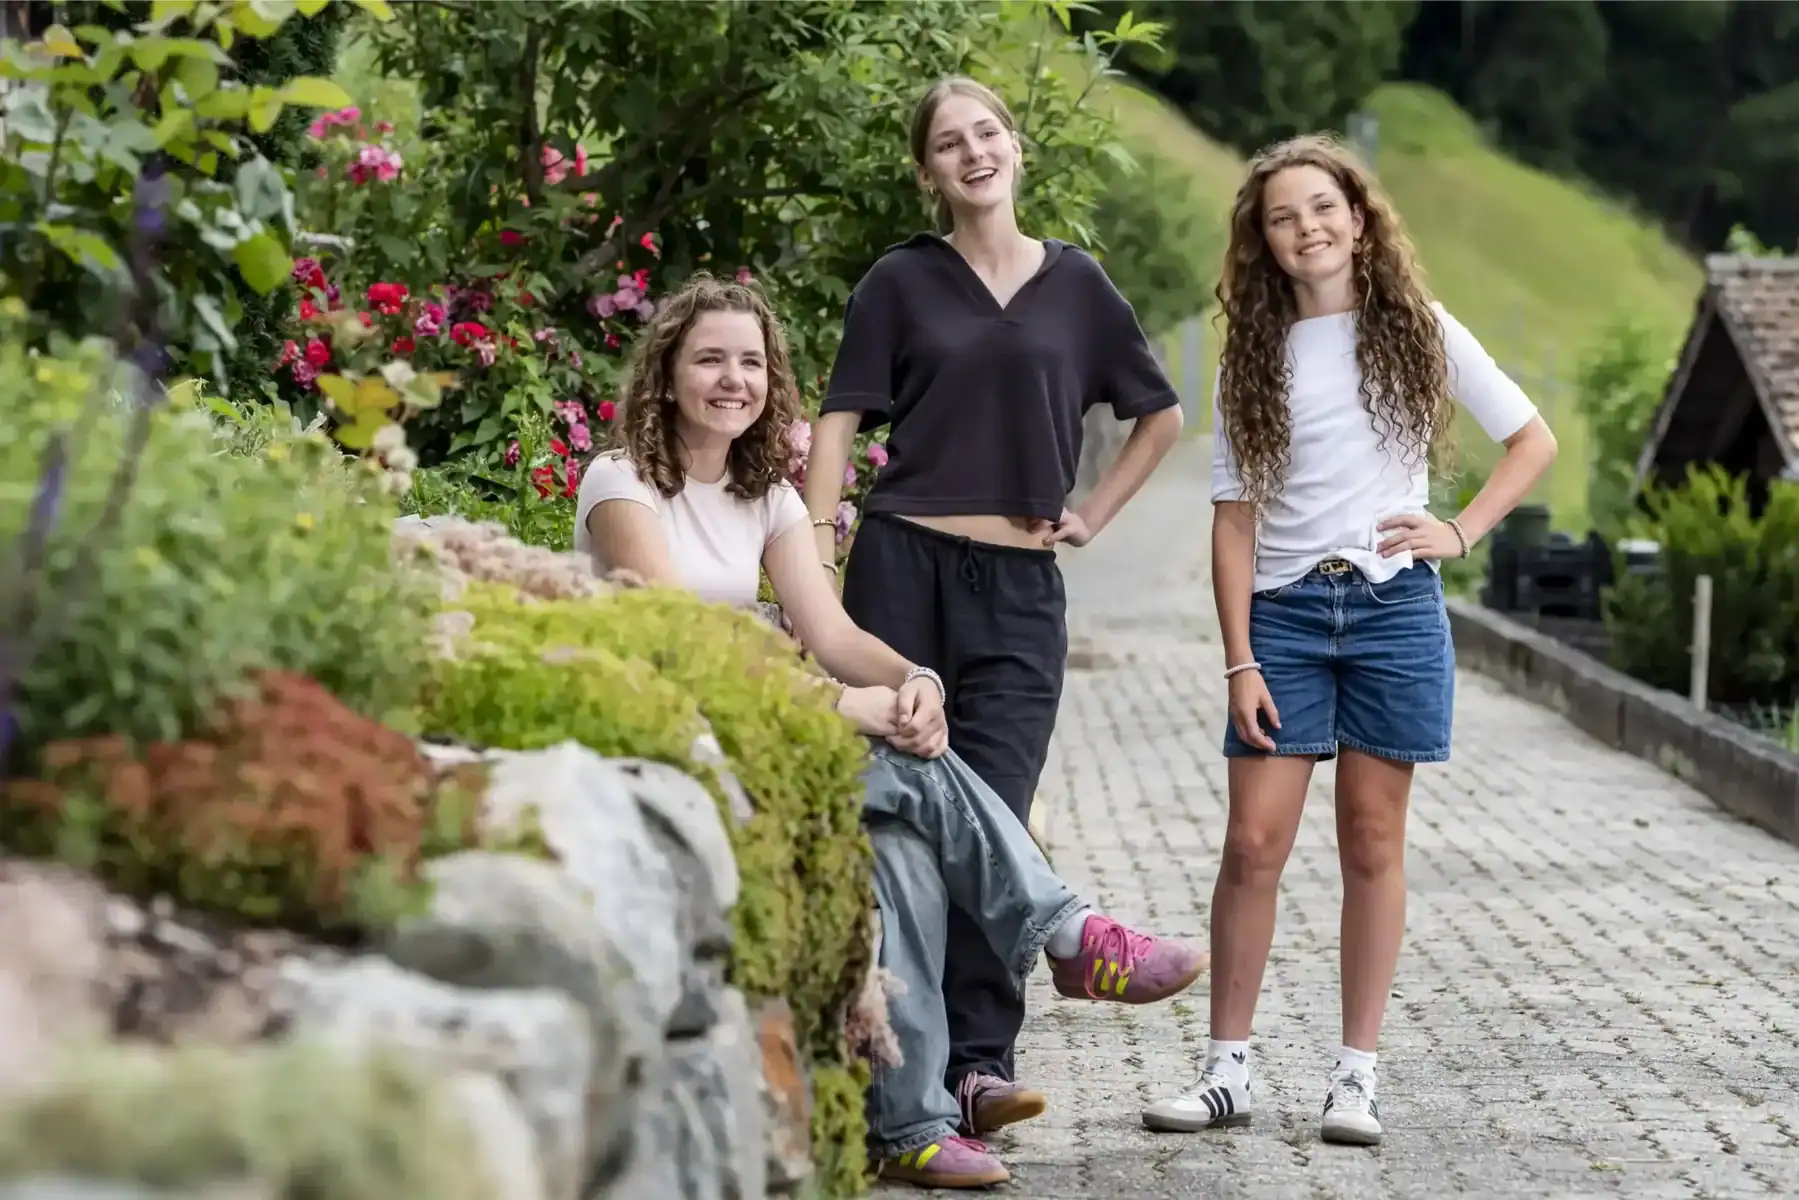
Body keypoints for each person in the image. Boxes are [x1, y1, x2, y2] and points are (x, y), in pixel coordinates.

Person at [575, 272, 1208, 1189]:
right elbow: (680, 644)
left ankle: (910, 1125)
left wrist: (912, 680)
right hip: (665, 722)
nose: (731, 379)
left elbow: (827, 634)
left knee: (906, 837)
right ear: (667, 371)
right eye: (708, 358)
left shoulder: (772, 498)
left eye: (750, 362)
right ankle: (1067, 936)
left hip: (754, 714)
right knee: (908, 771)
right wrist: (843, 707)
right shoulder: (621, 478)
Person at [1138, 135, 1558, 1146]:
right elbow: (1232, 521)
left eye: (1321, 207)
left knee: (1371, 843)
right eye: (1282, 217)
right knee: (1251, 845)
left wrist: (1455, 531)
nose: (1305, 228)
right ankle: (1225, 1071)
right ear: (1263, 240)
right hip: (1282, 618)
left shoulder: (1416, 329)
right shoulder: (1252, 358)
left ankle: (1353, 1079)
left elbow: (1530, 440)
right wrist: (1237, 656)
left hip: (1391, 612)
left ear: (1358, 218)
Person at [801, 74, 1187, 1138]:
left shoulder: (1077, 287)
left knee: (996, 810)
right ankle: (919, 1085)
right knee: (912, 825)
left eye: (987, 134)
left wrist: (1093, 516)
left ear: (1015, 150)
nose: (972, 152)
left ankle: (980, 1070)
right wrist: (813, 563)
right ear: (927, 172)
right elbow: (838, 423)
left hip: (1020, 592)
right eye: (948, 143)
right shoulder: (898, 282)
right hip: (898, 569)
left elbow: (1158, 414)